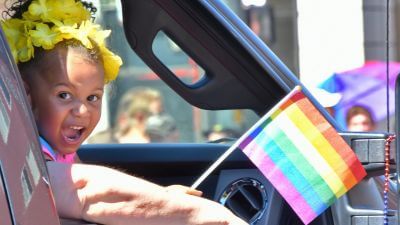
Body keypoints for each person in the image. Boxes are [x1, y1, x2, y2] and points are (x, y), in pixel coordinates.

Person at [2, 1, 247, 224]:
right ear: (27, 95)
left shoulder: (56, 151)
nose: (82, 110)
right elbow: (85, 191)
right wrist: (194, 212)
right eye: (64, 95)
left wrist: (161, 200)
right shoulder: (28, 156)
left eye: (93, 97)